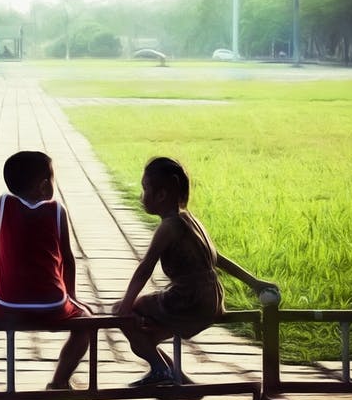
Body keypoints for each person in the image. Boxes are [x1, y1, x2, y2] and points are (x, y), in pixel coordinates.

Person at [113, 156, 280, 387]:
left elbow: (145, 268)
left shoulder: (168, 226)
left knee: (123, 312)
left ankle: (162, 370)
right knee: (146, 337)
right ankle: (175, 378)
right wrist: (254, 283)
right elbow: (217, 258)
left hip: (188, 300)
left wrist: (125, 307)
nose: (141, 196)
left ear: (161, 195)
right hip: (213, 299)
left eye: (145, 189)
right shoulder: (190, 219)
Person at [0, 150, 93, 400]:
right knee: (87, 321)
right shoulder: (57, 211)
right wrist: (70, 296)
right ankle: (58, 384)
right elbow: (67, 259)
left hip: (7, 304)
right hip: (52, 305)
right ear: (45, 185)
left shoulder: (0, 205)